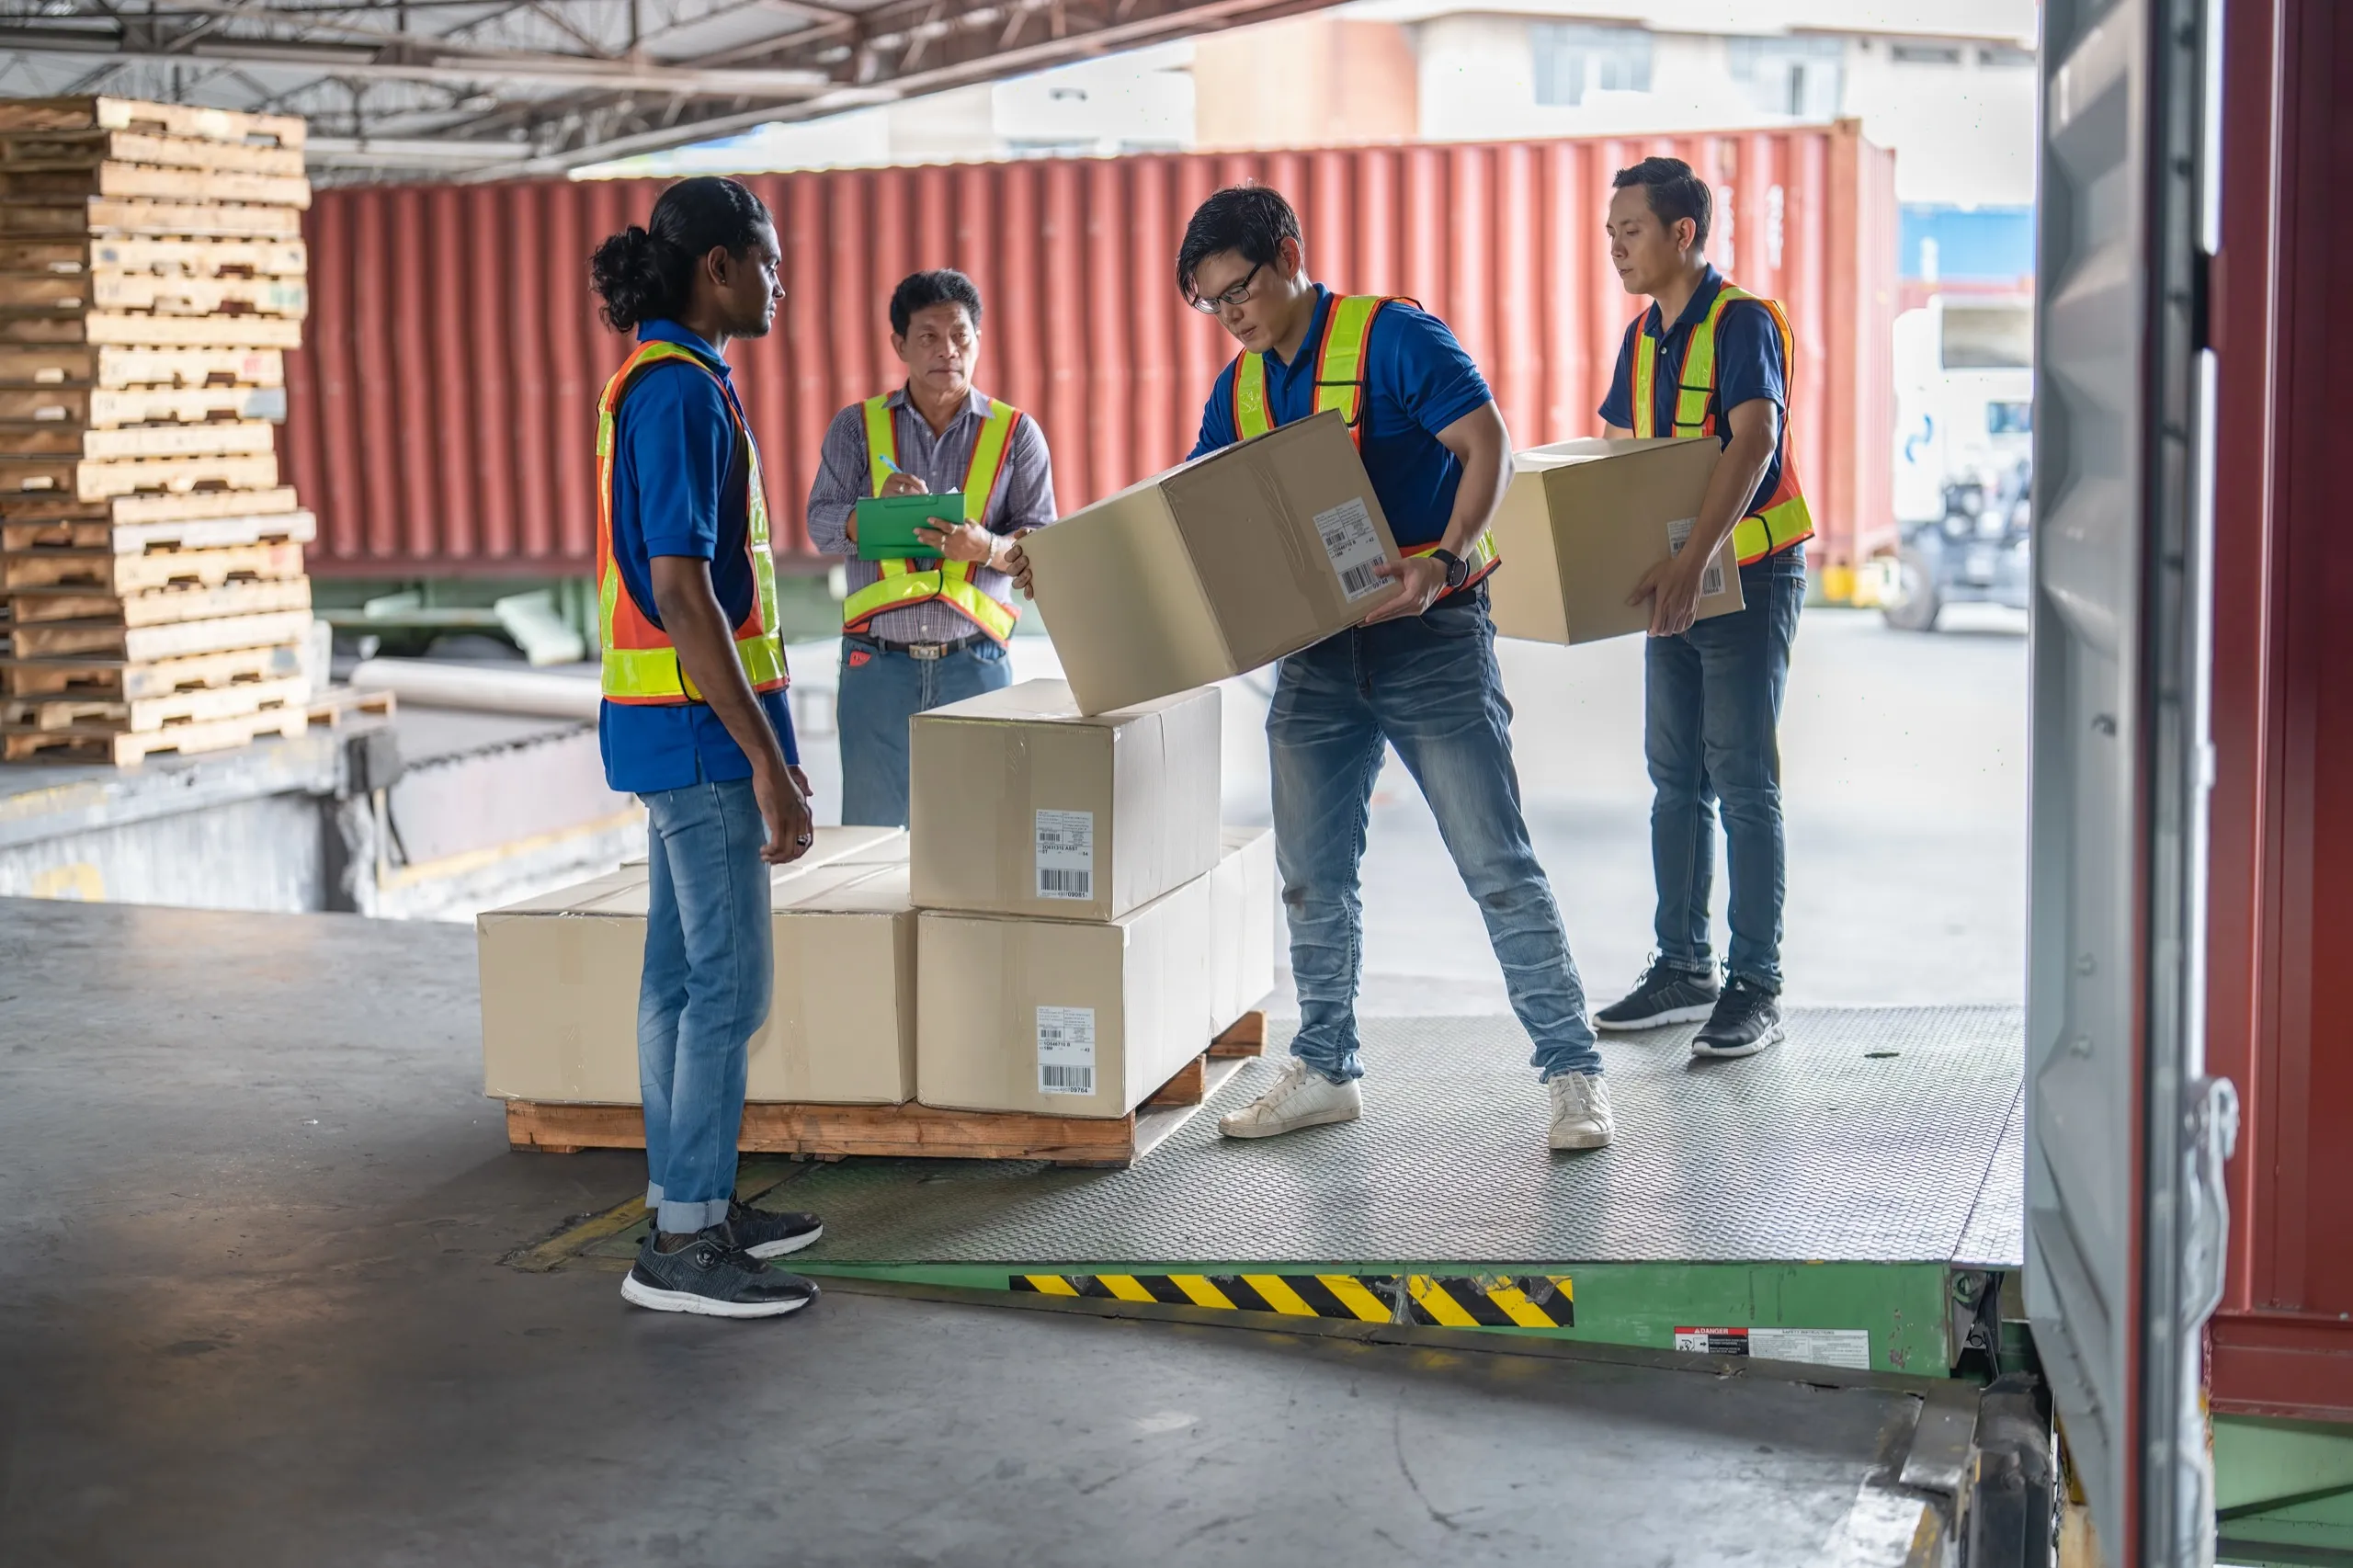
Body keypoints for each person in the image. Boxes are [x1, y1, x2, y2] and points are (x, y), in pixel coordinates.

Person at [1015, 184, 1613, 1151]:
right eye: (1212, 303)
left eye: (1240, 289)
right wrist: (1077, 573)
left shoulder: (1393, 337)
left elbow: (1486, 444)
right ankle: (1328, 1065)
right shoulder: (1241, 388)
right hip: (1318, 663)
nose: (1231, 315)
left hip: (1433, 641)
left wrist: (1444, 557)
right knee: (1312, 876)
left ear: (1288, 252)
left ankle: (1574, 1072)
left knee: (1495, 864)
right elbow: (1187, 514)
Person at [588, 176, 827, 1318]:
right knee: (729, 987)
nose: (782, 282)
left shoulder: (662, 380)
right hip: (699, 739)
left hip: (667, 732)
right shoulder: (678, 393)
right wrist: (770, 766)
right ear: (718, 268)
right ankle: (682, 1237)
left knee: (680, 980)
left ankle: (692, 1204)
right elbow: (686, 596)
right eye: (769, 263)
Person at [1591, 156, 1812, 1059]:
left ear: (1683, 234)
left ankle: (1754, 983)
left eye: (1629, 231)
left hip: (1747, 580)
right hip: (1675, 585)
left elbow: (1754, 438)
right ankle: (1683, 967)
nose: (1615, 250)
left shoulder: (1741, 322)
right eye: (1610, 234)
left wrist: (1695, 561)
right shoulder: (1642, 339)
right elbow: (1613, 451)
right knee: (1674, 777)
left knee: (1742, 780)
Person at [806, 269, 1058, 826]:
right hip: (876, 668)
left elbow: (1044, 545)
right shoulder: (855, 428)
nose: (947, 350)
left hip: (976, 664)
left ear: (978, 339)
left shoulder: (1018, 434)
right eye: (928, 337)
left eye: (960, 336)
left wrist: (986, 546)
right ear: (899, 344)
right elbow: (818, 523)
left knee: (980, 836)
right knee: (871, 841)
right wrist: (870, 510)